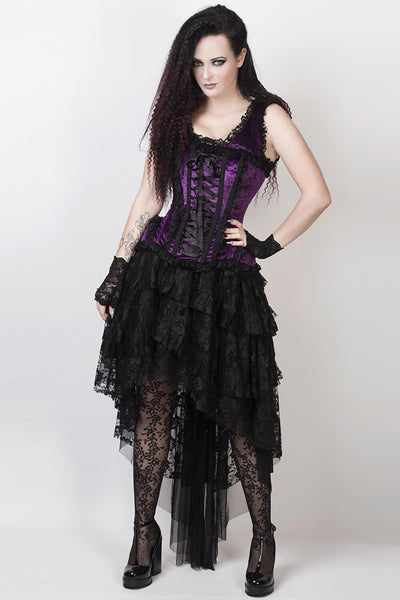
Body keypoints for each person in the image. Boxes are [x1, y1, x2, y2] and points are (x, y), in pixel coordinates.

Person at [93, 4, 331, 596]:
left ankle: (263, 538)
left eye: (218, 62)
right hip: (162, 278)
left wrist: (264, 244)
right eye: (197, 63)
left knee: (241, 415)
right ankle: (143, 535)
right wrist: (117, 270)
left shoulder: (268, 118)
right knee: (153, 407)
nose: (206, 74)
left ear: (241, 58)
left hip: (226, 286)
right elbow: (150, 198)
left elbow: (317, 193)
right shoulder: (177, 116)